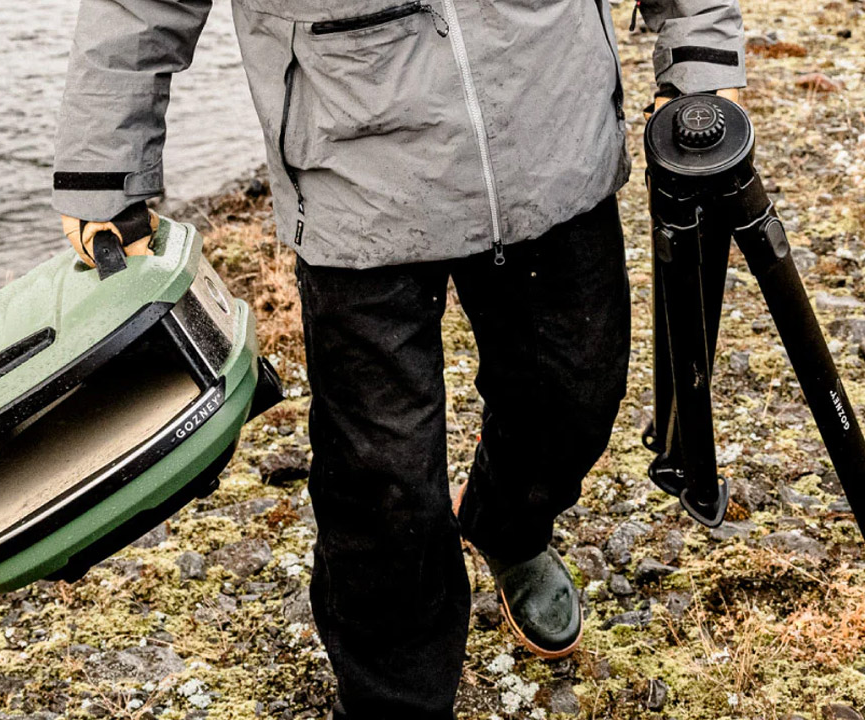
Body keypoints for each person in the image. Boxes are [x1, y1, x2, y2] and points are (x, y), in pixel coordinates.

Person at [51, 0, 745, 717]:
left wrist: (702, 51)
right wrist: (104, 168)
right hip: (350, 165)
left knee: (574, 395)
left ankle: (507, 524)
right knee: (382, 482)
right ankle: (395, 700)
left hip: (552, 132)